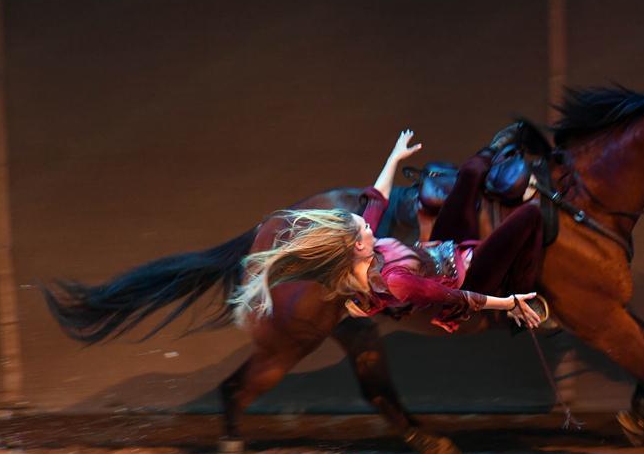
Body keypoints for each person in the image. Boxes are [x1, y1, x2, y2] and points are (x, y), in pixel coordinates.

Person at [232, 127, 546, 332]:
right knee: (531, 215)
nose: (368, 226)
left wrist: (395, 155)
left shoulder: (367, 251)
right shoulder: (395, 281)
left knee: (471, 171)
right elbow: (458, 296)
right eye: (362, 228)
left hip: (445, 246)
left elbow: (377, 197)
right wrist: (509, 303)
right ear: (358, 245)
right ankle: (526, 295)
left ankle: (492, 152)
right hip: (471, 274)